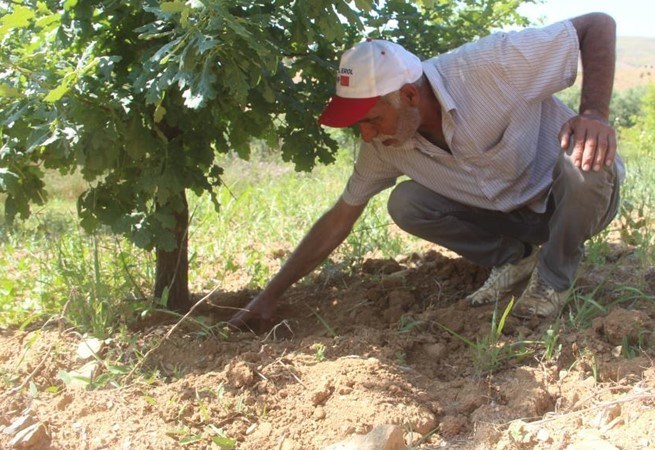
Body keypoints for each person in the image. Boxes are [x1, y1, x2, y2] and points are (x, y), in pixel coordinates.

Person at [230, 12, 624, 329]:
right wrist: (268, 295)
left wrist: (593, 113)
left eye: (371, 119)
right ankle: (515, 258)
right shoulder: (384, 147)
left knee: (583, 162)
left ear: (408, 95)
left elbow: (597, 25)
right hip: (512, 219)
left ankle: (551, 281)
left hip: (572, 203)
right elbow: (338, 219)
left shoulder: (491, 66)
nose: (366, 135)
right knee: (406, 203)